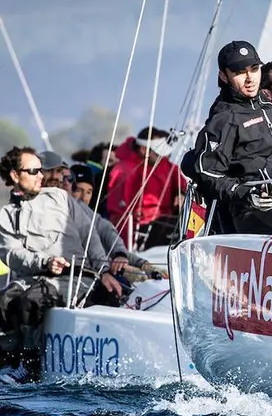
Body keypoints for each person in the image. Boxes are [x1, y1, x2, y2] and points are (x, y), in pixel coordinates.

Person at [0, 147, 124, 380]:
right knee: (4, 300)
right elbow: (12, 254)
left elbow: (90, 234)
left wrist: (104, 270)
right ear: (16, 176)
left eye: (41, 170)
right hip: (38, 276)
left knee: (31, 301)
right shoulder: (6, 215)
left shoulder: (60, 198)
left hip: (78, 277)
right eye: (35, 170)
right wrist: (45, 261)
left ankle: (30, 365)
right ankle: (8, 362)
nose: (41, 175)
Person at [189, 41, 272, 234]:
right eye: (240, 73)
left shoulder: (266, 105)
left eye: (255, 69)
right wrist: (247, 193)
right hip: (249, 211)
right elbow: (209, 173)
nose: (250, 78)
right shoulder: (224, 118)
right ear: (223, 76)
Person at [107, 127, 185, 249]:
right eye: (159, 152)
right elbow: (119, 213)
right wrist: (125, 249)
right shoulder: (124, 170)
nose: (163, 156)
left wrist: (181, 193)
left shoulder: (165, 165)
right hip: (140, 230)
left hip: (164, 222)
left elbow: (180, 181)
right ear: (144, 150)